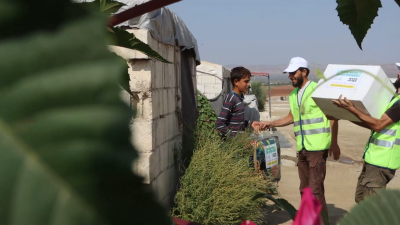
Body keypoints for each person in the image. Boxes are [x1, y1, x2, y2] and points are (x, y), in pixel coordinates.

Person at [258, 57, 340, 219]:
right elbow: (291, 117)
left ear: (304, 71)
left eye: (293, 73)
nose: (290, 76)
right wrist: (271, 123)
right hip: (302, 148)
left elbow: (333, 116)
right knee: (305, 189)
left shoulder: (318, 90)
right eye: (288, 73)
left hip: (317, 148)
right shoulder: (294, 94)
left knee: (315, 190)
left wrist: (334, 143)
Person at [332, 64, 400, 203]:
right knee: (361, 200)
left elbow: (378, 125)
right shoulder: (394, 99)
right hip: (373, 159)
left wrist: (352, 109)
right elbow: (372, 125)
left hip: (382, 162)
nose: (398, 75)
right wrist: (345, 114)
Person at [215, 67, 259, 138]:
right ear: (236, 82)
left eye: (249, 81)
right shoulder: (231, 98)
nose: (248, 84)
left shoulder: (239, 98)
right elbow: (219, 123)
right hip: (232, 145)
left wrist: (250, 124)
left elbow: (236, 122)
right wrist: (233, 138)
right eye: (246, 81)